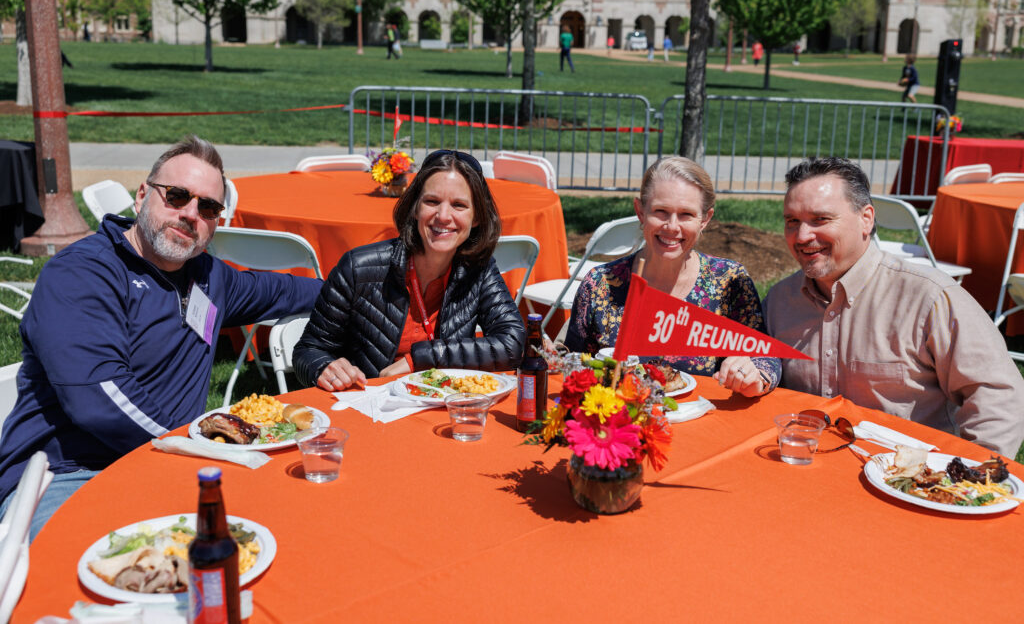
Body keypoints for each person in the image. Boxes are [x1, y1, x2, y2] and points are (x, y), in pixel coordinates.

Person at [0, 136, 323, 539]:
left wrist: (361, 285)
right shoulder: (83, 275)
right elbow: (99, 402)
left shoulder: (207, 276)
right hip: (69, 474)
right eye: (176, 196)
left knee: (295, 524)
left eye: (207, 207)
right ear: (141, 196)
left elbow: (286, 293)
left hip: (170, 465)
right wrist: (198, 447)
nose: (190, 214)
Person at [764, 156, 1024, 457]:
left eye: (820, 219)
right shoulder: (780, 300)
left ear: (866, 219)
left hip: (908, 482)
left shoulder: (929, 297)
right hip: (808, 468)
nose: (803, 236)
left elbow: (997, 394)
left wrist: (971, 474)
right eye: (792, 221)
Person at [293, 149, 526, 391]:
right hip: (368, 403)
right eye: (432, 202)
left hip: (445, 406)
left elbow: (514, 343)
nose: (443, 216)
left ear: (476, 217)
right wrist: (323, 367)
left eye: (459, 205)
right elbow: (309, 349)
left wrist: (421, 359)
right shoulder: (357, 267)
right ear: (415, 207)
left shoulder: (479, 269)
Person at [564, 156, 781, 398]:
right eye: (661, 212)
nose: (672, 226)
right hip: (621, 425)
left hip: (702, 423)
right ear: (640, 211)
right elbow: (574, 365)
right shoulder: (600, 285)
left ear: (705, 219)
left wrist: (755, 376)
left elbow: (766, 357)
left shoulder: (729, 281)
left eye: (686, 214)